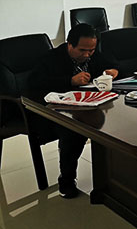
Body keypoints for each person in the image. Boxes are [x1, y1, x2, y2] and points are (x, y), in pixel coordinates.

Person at [30, 24, 119, 198]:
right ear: (69, 44)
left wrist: (114, 71)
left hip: (87, 105)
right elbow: (35, 83)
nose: (87, 55)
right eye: (82, 50)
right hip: (55, 110)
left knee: (111, 123)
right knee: (74, 131)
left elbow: (113, 64)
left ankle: (111, 179)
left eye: (91, 50)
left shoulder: (92, 54)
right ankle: (67, 180)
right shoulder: (51, 58)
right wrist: (69, 81)